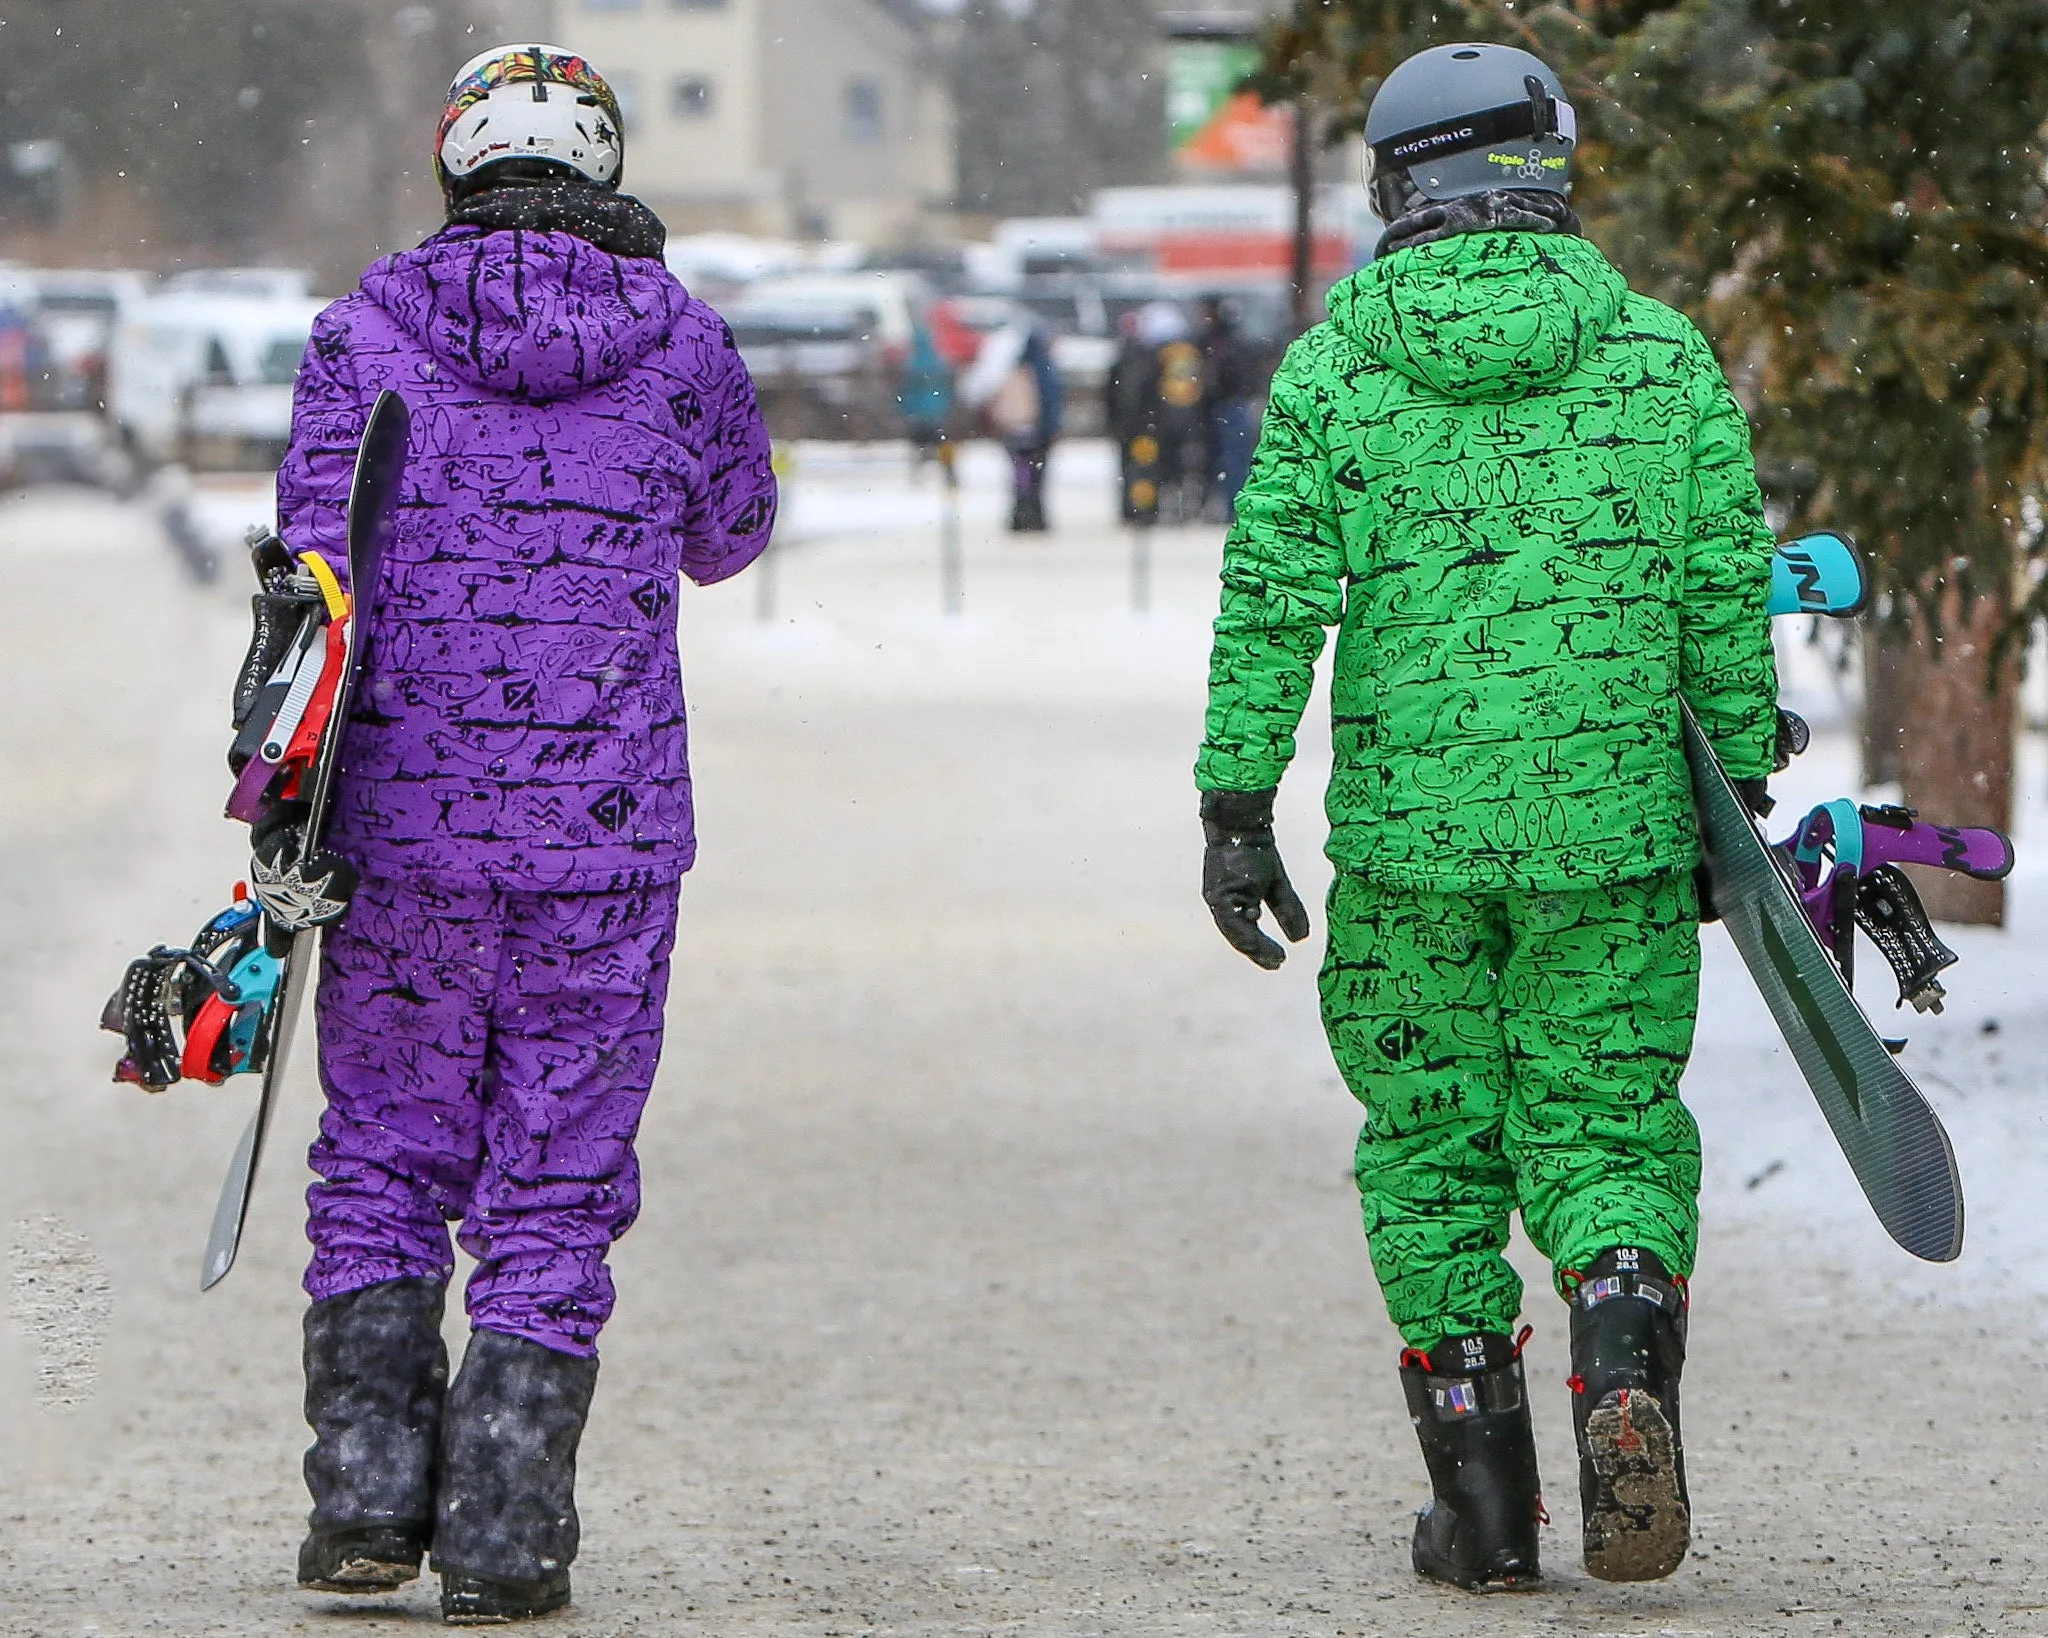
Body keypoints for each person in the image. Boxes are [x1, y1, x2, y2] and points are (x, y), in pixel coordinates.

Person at [1194, 42, 1777, 1593]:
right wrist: (1739, 777)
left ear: (1397, 184)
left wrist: (1235, 802)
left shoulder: (1335, 373)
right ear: (1552, 163)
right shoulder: (1660, 360)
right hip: (1618, 837)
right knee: (1604, 1120)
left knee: (1434, 1146)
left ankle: (1489, 1507)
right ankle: (1622, 1333)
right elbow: (1723, 585)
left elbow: (1271, 607)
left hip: (1408, 847)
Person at [267, 42, 776, 1625]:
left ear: (453, 166)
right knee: (556, 1176)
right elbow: (732, 533)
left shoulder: (362, 338)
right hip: (605, 841)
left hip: (402, 829)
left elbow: (307, 554)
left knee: (385, 1152)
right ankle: (503, 1532)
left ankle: (362, 1499)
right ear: (609, 170)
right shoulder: (680, 343)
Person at [1196, 295, 1261, 523]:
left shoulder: (1220, 343)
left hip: (1228, 406)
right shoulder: (1229, 340)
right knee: (1232, 460)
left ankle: (1232, 508)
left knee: (1232, 461)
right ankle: (1232, 507)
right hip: (1229, 405)